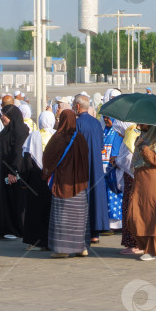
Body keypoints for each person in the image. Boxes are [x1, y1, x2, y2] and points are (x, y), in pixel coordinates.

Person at [42, 110, 89, 259]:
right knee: (79, 217)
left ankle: (62, 249)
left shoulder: (57, 138)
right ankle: (81, 248)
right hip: (79, 185)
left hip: (62, 184)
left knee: (62, 216)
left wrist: (47, 172)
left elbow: (47, 158)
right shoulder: (80, 138)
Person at [127, 125, 156, 261]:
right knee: (136, 213)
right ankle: (147, 246)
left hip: (153, 180)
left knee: (153, 215)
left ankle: (154, 249)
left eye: (142, 122)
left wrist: (145, 149)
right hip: (140, 180)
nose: (139, 125)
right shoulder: (142, 137)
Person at [73, 94, 110, 243]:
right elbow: (101, 147)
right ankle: (95, 234)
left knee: (84, 199)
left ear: (77, 106)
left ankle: (84, 233)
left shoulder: (77, 124)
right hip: (97, 166)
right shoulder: (96, 123)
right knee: (96, 198)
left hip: (82, 167)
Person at [0, 104, 30, 239]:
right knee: (5, 199)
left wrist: (14, 171)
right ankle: (6, 227)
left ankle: (16, 228)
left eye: (4, 115)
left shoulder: (21, 130)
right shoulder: (7, 130)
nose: (2, 118)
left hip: (13, 171)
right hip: (4, 170)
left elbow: (19, 152)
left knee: (15, 198)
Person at [21, 111, 56, 250]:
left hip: (36, 179)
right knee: (50, 210)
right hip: (53, 178)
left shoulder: (33, 135)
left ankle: (35, 241)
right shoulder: (56, 135)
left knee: (35, 210)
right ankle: (50, 240)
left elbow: (27, 159)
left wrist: (25, 180)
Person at [118, 124, 143, 255]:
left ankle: (137, 244)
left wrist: (117, 161)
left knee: (133, 212)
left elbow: (128, 160)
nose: (118, 134)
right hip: (133, 180)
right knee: (129, 210)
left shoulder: (131, 136)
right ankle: (131, 243)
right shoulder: (134, 134)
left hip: (133, 179)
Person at [102, 116, 124, 230]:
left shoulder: (117, 131)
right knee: (108, 196)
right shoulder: (104, 131)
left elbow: (117, 150)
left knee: (115, 193)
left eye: (108, 118)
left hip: (115, 169)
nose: (106, 120)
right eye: (104, 117)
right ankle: (110, 222)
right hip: (105, 169)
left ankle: (118, 223)